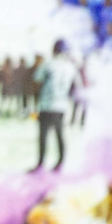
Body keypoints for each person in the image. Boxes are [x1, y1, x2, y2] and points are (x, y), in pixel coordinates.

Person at [32, 41, 78, 173]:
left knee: (43, 135)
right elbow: (75, 86)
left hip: (47, 103)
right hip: (61, 104)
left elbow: (37, 79)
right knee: (60, 134)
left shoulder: (48, 63)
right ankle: (60, 162)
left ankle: (41, 163)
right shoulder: (70, 66)